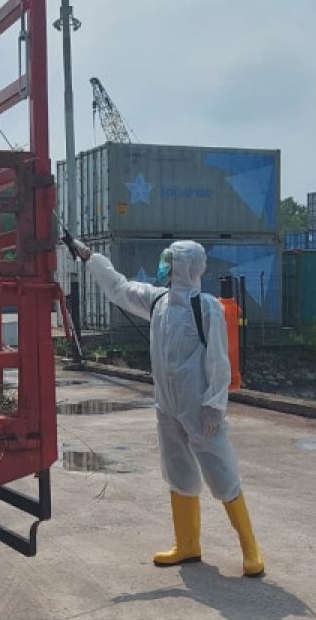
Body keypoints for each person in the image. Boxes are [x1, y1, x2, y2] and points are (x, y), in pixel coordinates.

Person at [69, 237, 264, 577]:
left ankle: (250, 547)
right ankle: (187, 545)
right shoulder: (157, 301)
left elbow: (219, 361)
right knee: (178, 471)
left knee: (221, 472)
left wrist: (215, 404)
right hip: (167, 406)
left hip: (200, 407)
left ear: (184, 267)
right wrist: (89, 256)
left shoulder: (206, 308)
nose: (163, 266)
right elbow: (119, 287)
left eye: (168, 260)